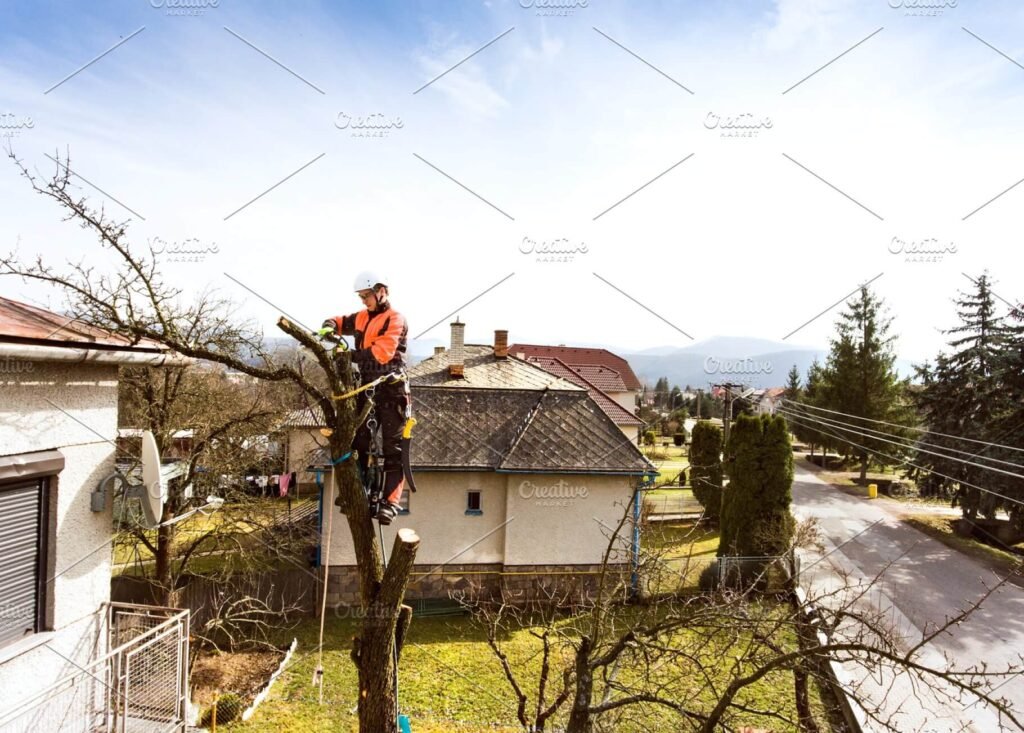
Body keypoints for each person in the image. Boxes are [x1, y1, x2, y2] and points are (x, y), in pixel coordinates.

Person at [321, 271, 410, 524]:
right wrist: (329, 326)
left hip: (391, 389)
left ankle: (390, 503)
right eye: (361, 297)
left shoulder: (395, 319)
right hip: (368, 388)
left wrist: (349, 357)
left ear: (381, 291)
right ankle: (357, 494)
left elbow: (382, 353)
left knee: (393, 450)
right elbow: (340, 321)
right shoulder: (360, 317)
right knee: (358, 442)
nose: (364, 301)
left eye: (367, 296)